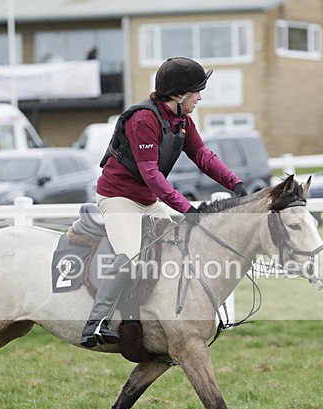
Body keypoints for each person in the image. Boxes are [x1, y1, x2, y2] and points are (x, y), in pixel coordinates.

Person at [80, 57, 248, 348]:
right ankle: (95, 324)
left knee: (180, 249)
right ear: (179, 94)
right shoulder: (143, 119)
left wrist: (236, 183)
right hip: (118, 197)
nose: (200, 97)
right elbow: (152, 175)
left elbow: (203, 157)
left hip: (145, 199)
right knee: (131, 255)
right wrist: (187, 209)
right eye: (197, 91)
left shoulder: (182, 121)